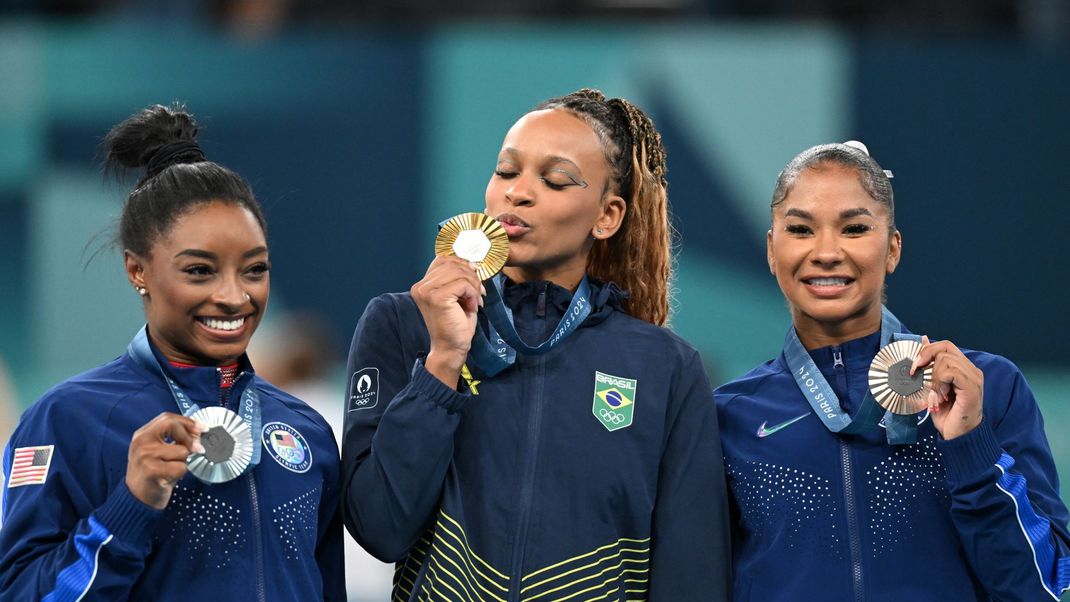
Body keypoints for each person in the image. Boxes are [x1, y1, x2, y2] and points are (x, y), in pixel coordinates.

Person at [342, 88, 729, 601]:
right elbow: (380, 527)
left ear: (607, 216)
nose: (518, 193)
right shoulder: (403, 324)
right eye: (506, 171)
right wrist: (442, 363)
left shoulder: (665, 367)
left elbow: (692, 577)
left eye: (556, 180)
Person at [0, 104, 345, 600]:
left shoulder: (306, 430)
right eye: (200, 271)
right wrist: (130, 504)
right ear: (137, 270)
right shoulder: (67, 419)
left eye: (254, 269)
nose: (234, 296)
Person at [715, 141, 1070, 601]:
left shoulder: (987, 389)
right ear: (771, 249)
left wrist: (971, 447)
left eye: (855, 228)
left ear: (893, 248)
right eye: (801, 229)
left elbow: (1042, 587)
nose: (826, 252)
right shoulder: (729, 416)